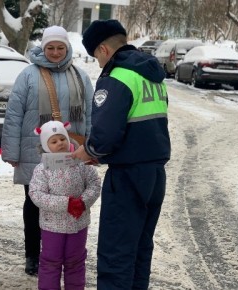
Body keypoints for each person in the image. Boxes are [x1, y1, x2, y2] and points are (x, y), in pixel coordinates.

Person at [72, 19, 171, 289]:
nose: (99, 63)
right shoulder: (151, 75)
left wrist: (89, 151)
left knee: (116, 251)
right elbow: (141, 125)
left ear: (103, 49)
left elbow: (105, 133)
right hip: (154, 174)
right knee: (140, 247)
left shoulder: (117, 77)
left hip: (128, 176)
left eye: (96, 57)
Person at [1, 25, 94, 276]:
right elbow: (14, 114)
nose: (55, 52)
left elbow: (90, 114)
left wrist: (91, 147)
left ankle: (62, 253)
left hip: (71, 152)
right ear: (43, 48)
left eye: (59, 47)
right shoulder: (28, 75)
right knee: (34, 203)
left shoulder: (81, 76)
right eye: (50, 48)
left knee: (67, 202)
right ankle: (33, 254)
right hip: (35, 152)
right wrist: (11, 151)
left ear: (67, 48)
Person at [28, 120, 101, 290]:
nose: (59, 143)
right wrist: (66, 203)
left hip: (78, 223)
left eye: (62, 139)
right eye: (53, 141)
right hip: (52, 225)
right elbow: (36, 194)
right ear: (46, 145)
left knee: (75, 261)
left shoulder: (80, 163)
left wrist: (83, 202)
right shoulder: (42, 169)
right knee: (50, 261)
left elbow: (94, 183)